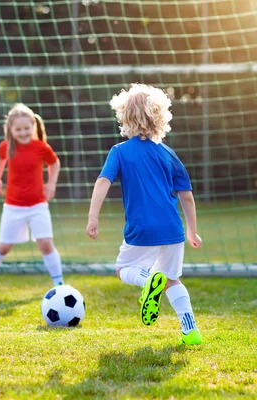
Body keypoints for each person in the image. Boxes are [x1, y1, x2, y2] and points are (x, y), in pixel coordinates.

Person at [86, 84, 203, 345]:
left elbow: (103, 181)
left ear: (125, 118)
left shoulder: (120, 151)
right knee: (172, 279)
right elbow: (186, 196)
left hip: (142, 228)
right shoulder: (169, 154)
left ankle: (148, 280)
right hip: (173, 229)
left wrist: (93, 216)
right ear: (159, 117)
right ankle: (191, 330)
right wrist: (192, 230)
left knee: (123, 269)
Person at [0, 103, 64, 294]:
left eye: (27, 128)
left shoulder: (41, 147)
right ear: (10, 129)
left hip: (38, 205)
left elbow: (55, 163)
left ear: (33, 126)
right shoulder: (7, 146)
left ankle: (59, 284)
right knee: (3, 248)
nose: (23, 132)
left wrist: (51, 183)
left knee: (45, 244)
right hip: (13, 207)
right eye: (18, 129)